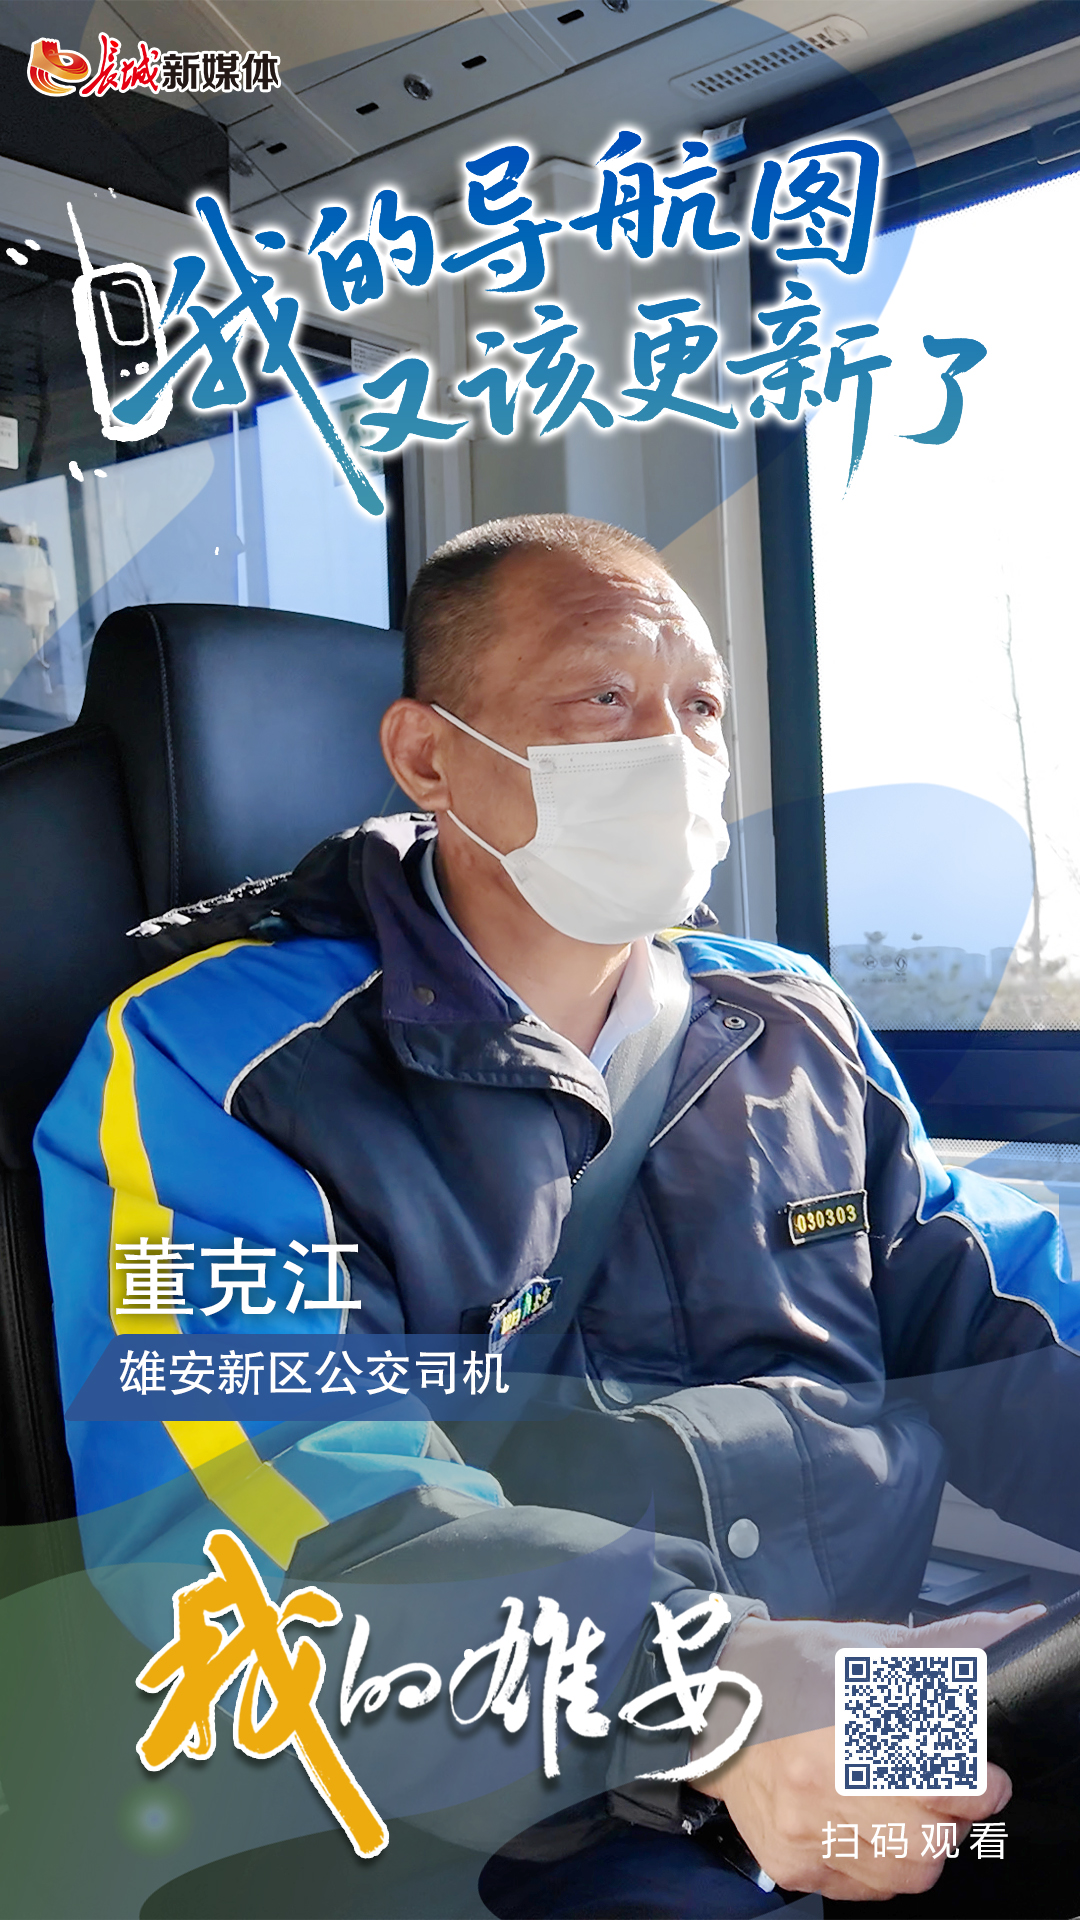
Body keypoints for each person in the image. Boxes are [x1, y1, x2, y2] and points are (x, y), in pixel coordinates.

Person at [36, 514, 1080, 1915]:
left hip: (873, 1703)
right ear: (428, 757)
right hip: (536, 1802)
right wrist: (711, 1688)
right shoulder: (217, 1067)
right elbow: (269, 1518)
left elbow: (1005, 1311)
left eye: (699, 706)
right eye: (603, 697)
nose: (674, 750)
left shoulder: (787, 1022)